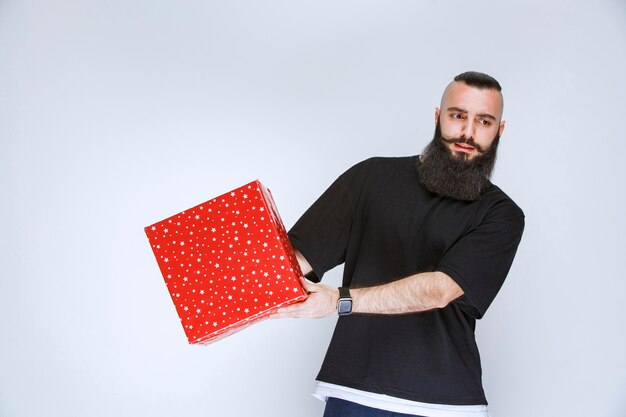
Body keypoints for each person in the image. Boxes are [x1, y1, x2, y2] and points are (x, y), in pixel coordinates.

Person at [273, 71, 525, 417]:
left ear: (500, 130)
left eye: (484, 121)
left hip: (447, 406)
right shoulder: (371, 179)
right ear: (438, 117)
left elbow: (440, 290)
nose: (468, 132)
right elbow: (289, 263)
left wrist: (341, 301)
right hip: (353, 393)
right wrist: (212, 275)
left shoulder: (502, 215)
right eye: (457, 116)